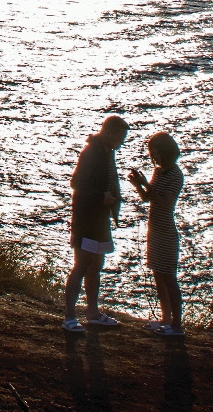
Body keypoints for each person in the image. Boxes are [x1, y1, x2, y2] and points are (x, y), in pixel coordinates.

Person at [62, 115, 127, 331]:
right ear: (109, 132)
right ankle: (70, 317)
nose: (122, 142)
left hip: (100, 221)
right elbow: (76, 184)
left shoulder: (107, 153)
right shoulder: (91, 153)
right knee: (81, 265)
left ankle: (92, 312)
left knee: (96, 266)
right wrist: (101, 197)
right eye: (121, 137)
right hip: (87, 220)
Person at [127, 131, 185, 336]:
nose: (155, 158)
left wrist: (146, 185)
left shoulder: (176, 175)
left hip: (166, 232)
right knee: (158, 277)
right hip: (155, 230)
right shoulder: (159, 172)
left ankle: (177, 324)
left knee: (169, 278)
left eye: (157, 153)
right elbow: (148, 198)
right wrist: (138, 186)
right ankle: (166, 318)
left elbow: (166, 203)